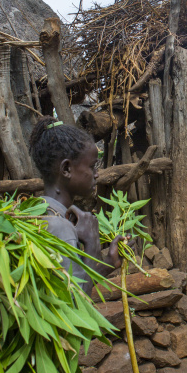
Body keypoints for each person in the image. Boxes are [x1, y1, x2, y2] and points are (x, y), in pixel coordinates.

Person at [29, 116, 122, 295]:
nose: (96, 174)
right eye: (92, 166)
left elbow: (69, 284)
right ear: (66, 169)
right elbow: (76, 302)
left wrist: (108, 264)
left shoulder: (39, 212)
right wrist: (93, 242)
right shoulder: (59, 227)